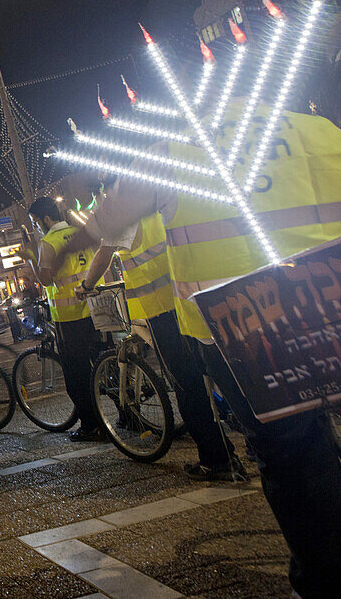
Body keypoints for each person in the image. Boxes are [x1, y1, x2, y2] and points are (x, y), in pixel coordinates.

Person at [60, 106, 341, 599]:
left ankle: (324, 579)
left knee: (293, 453)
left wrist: (68, 245)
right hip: (331, 302)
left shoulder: (175, 151)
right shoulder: (310, 126)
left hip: (247, 328)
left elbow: (112, 216)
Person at [76, 212, 245, 480]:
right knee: (223, 368)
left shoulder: (127, 206)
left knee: (187, 384)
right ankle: (256, 439)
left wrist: (85, 286)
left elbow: (105, 250)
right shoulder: (158, 198)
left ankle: (217, 460)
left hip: (164, 307)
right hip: (196, 293)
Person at [18, 197, 105, 442]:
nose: (36, 227)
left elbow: (45, 279)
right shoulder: (79, 232)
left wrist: (30, 257)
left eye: (36, 222)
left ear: (46, 219)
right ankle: (125, 414)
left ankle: (91, 425)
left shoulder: (48, 243)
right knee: (101, 366)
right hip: (95, 308)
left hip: (69, 316)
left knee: (77, 375)